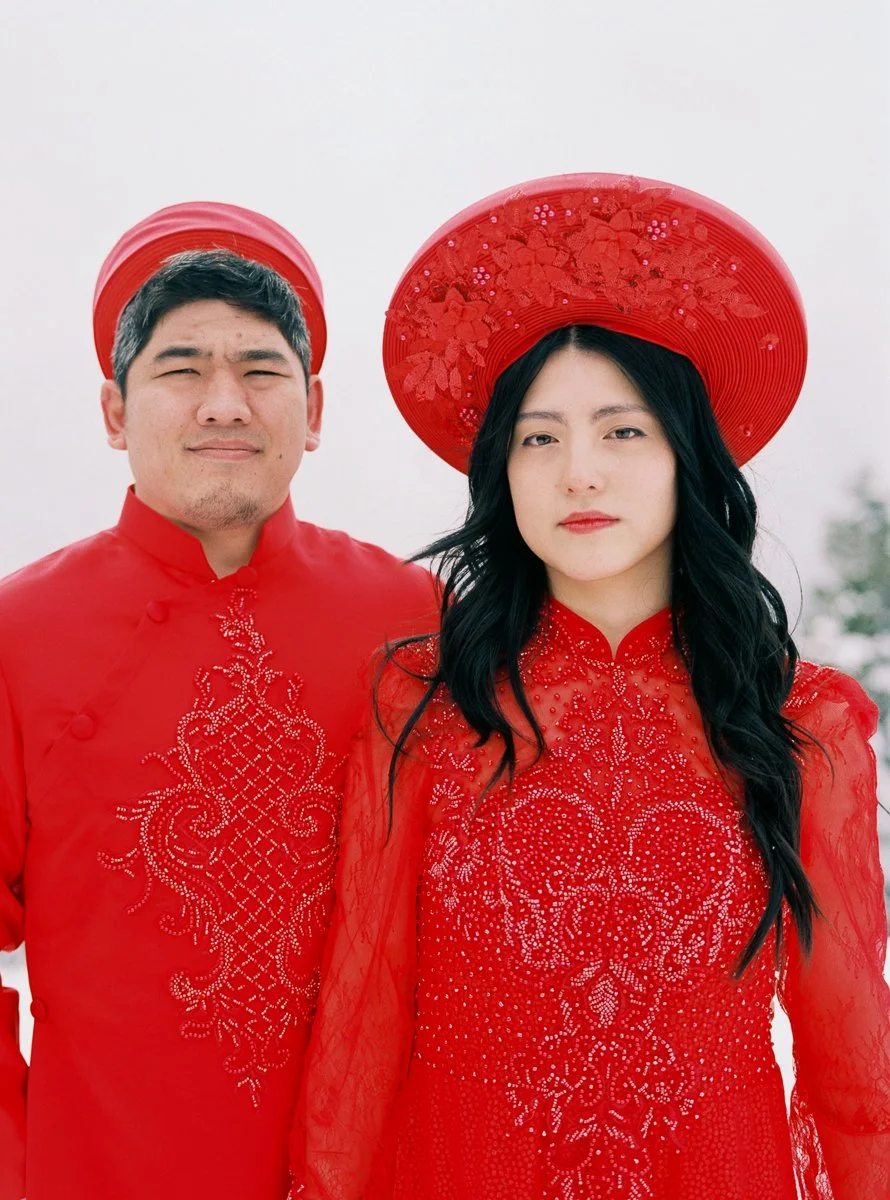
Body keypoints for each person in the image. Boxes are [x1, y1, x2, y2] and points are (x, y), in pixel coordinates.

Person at [296, 174, 890, 1199]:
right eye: (539, 438)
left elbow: (852, 1063)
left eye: (622, 431)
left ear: (686, 456)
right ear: (502, 470)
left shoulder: (800, 720)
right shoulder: (424, 702)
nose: (578, 472)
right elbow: (363, 1019)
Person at [0, 201, 433, 1200]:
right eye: (182, 369)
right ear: (114, 412)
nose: (224, 404)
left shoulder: (415, 622)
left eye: (261, 371)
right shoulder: (19, 634)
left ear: (313, 411)